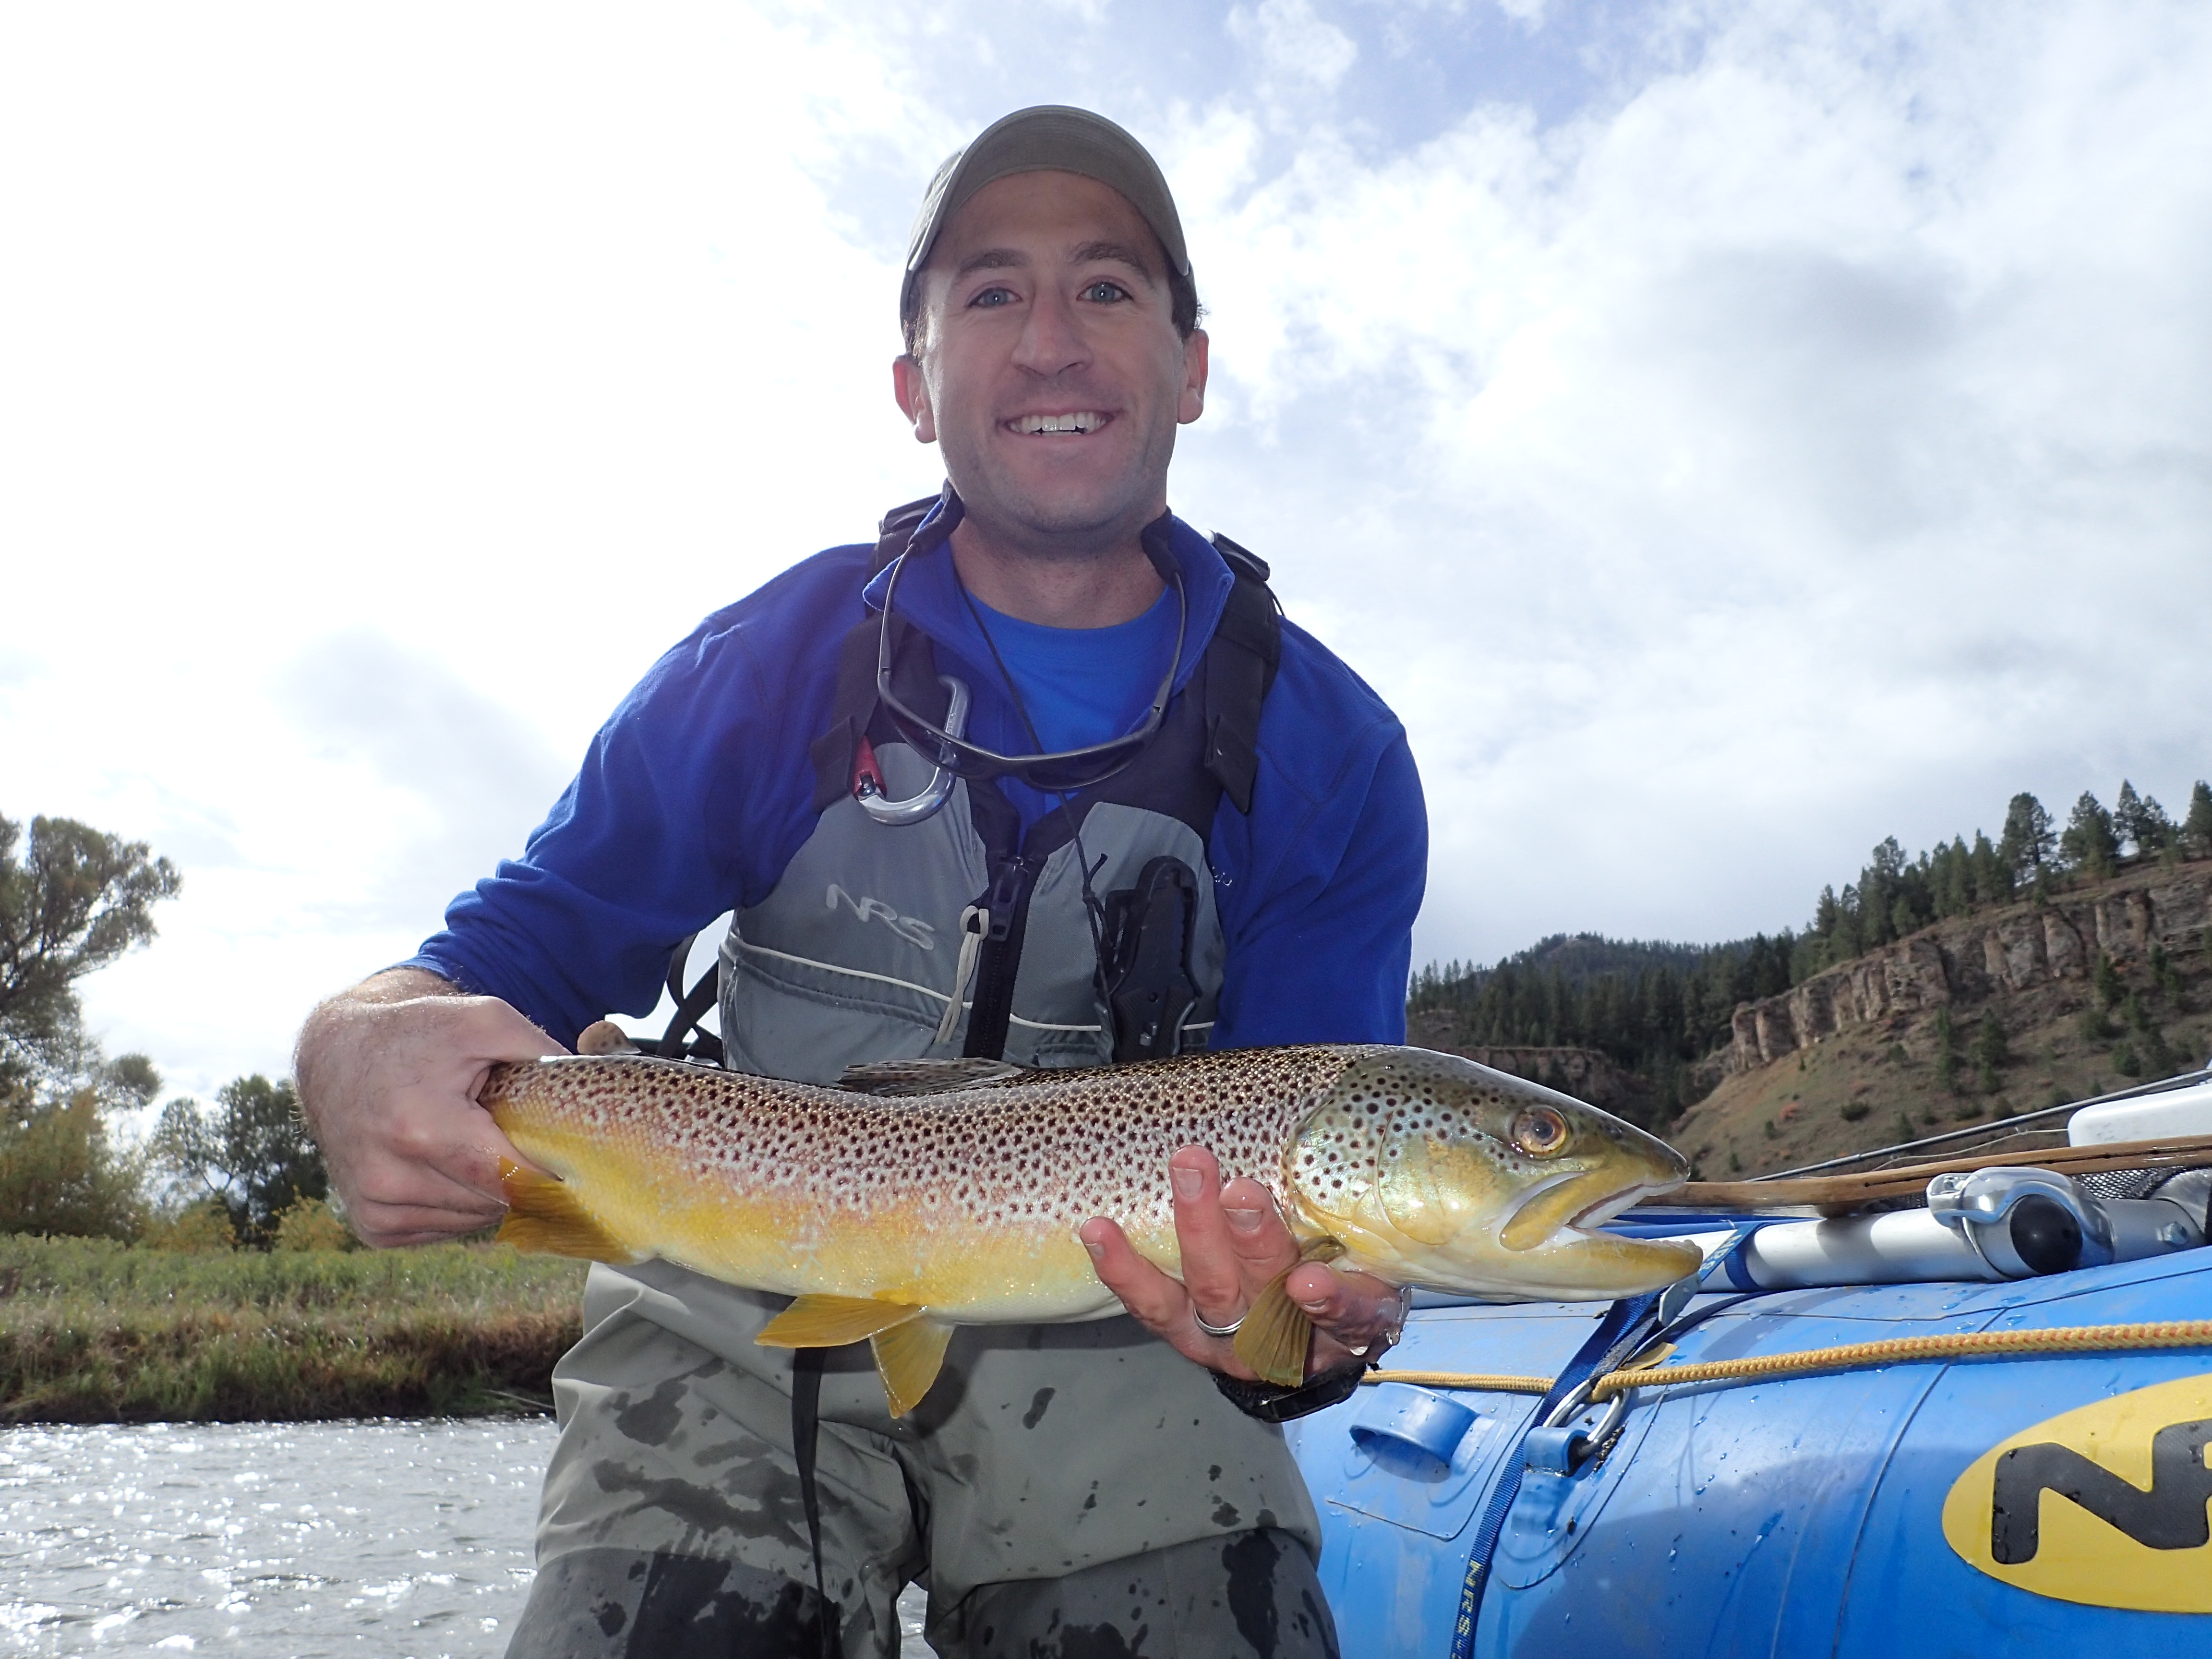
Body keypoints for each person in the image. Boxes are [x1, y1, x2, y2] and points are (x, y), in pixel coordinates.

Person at [296, 106, 1427, 1659]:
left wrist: (1296, 1337)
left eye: (1107, 289)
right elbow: (510, 953)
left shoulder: (1330, 751)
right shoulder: (771, 663)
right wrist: (354, 1037)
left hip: (1124, 1330)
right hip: (734, 1291)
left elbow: (1299, 1221)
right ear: (916, 389)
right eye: (990, 293)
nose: (1049, 343)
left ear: (1192, 365)